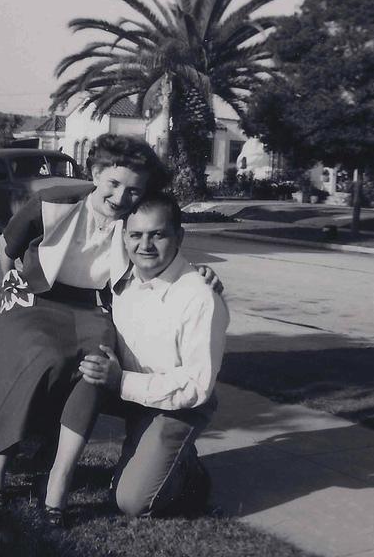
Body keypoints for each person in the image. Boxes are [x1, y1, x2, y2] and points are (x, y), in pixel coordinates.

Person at [0, 134, 219, 522]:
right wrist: (10, 289)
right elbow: (8, 245)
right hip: (37, 300)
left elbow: (160, 248)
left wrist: (200, 272)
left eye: (133, 190)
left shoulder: (131, 220)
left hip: (92, 309)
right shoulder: (54, 201)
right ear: (95, 173)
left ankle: (60, 477)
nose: (122, 197)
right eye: (114, 184)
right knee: (41, 357)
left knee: (98, 364)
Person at [73, 191, 229, 520]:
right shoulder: (123, 279)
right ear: (124, 237)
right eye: (136, 235)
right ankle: (49, 460)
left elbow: (195, 387)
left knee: (132, 502)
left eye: (157, 234)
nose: (145, 245)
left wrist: (121, 381)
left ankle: (190, 477)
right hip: (131, 393)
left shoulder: (200, 298)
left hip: (181, 406)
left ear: (178, 236)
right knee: (62, 371)